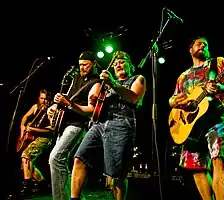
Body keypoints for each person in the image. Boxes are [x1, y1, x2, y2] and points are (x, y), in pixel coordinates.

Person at [168, 36, 224, 200]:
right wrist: (172, 102)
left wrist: (221, 87)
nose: (203, 45)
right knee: (195, 167)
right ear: (190, 49)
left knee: (219, 159)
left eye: (206, 44)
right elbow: (174, 98)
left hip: (218, 118)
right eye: (199, 43)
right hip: (192, 126)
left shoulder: (217, 63)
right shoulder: (183, 76)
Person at [69, 50, 146, 200]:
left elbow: (133, 97)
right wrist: (77, 104)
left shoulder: (138, 79)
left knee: (116, 173)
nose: (118, 65)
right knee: (80, 157)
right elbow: (93, 109)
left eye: (122, 61)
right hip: (99, 123)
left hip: (121, 123)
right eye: (115, 63)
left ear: (130, 65)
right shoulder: (105, 85)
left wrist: (113, 82)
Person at [47, 51, 101, 200]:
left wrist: (69, 105)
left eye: (85, 64)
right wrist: (55, 106)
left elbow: (91, 110)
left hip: (77, 124)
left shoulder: (96, 82)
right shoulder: (76, 78)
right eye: (80, 65)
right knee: (59, 161)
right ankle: (75, 196)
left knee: (55, 158)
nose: (82, 67)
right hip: (64, 122)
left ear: (94, 63)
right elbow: (69, 98)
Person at [19, 89, 53, 198]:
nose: (44, 101)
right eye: (42, 98)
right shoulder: (35, 107)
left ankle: (27, 189)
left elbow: (51, 129)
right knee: (25, 165)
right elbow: (25, 117)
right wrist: (22, 128)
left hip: (44, 138)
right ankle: (44, 185)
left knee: (26, 157)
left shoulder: (51, 110)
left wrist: (33, 130)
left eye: (46, 99)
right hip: (33, 137)